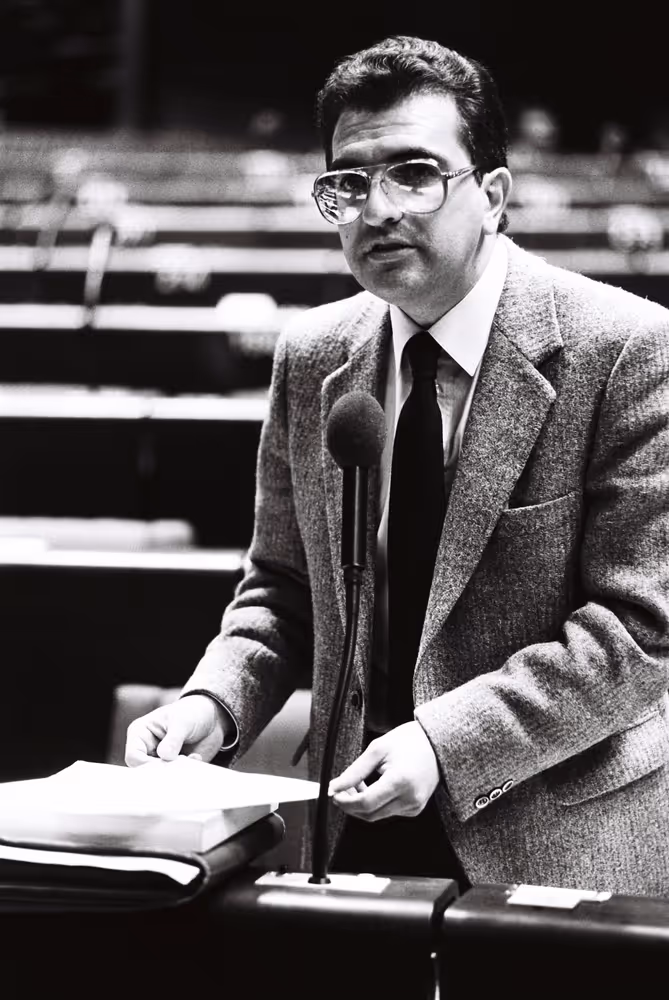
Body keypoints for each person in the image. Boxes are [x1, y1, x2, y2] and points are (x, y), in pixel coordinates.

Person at [125, 36, 669, 896]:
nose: (376, 209)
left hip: (555, 830)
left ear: (491, 194)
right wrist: (214, 703)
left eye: (414, 173)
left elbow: (639, 629)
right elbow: (282, 587)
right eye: (348, 182)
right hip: (354, 827)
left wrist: (443, 741)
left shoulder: (626, 349)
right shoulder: (312, 355)